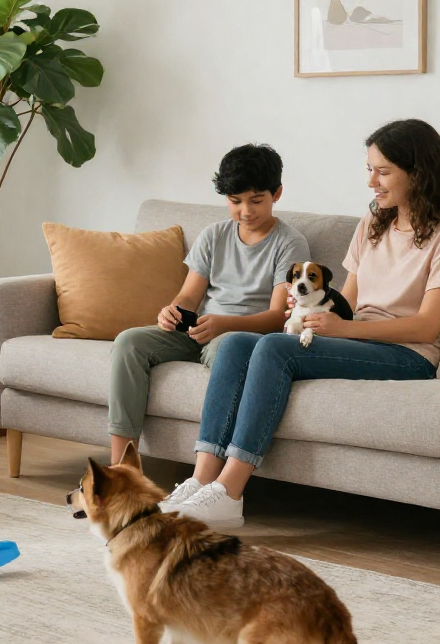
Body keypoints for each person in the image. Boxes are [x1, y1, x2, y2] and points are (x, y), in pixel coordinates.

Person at [178, 119, 440, 528]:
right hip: (355, 338)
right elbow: (345, 302)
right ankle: (200, 481)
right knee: (234, 343)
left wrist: (342, 329)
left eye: (383, 171)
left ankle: (229, 493)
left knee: (273, 348)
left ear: (419, 173)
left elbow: (427, 327)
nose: (371, 180)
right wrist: (312, 314)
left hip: (408, 354)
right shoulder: (374, 222)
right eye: (369, 168)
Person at [109, 144, 309, 465]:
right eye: (235, 201)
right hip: (201, 329)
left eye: (256, 200)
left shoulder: (289, 243)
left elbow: (276, 318)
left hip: (241, 339)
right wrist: (172, 311)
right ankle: (121, 467)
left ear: (277, 194)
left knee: (224, 350)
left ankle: (216, 463)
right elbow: (190, 295)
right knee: (129, 342)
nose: (245, 211)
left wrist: (223, 324)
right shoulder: (213, 235)